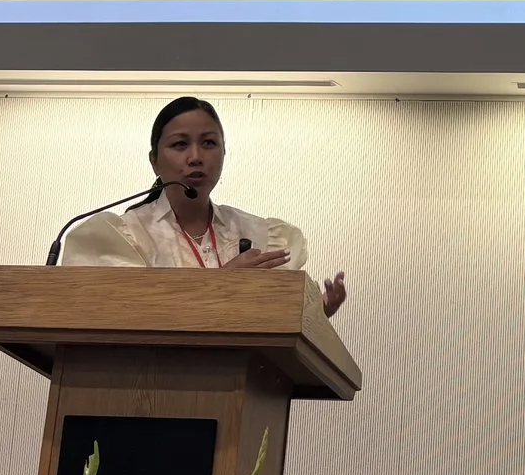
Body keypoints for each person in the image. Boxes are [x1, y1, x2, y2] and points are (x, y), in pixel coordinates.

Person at [57, 95, 347, 315]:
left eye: (208, 143)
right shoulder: (124, 235)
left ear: (224, 153)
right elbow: (118, 313)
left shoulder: (260, 234)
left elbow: (271, 320)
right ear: (154, 160)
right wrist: (223, 284)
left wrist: (315, 315)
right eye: (180, 144)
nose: (196, 157)